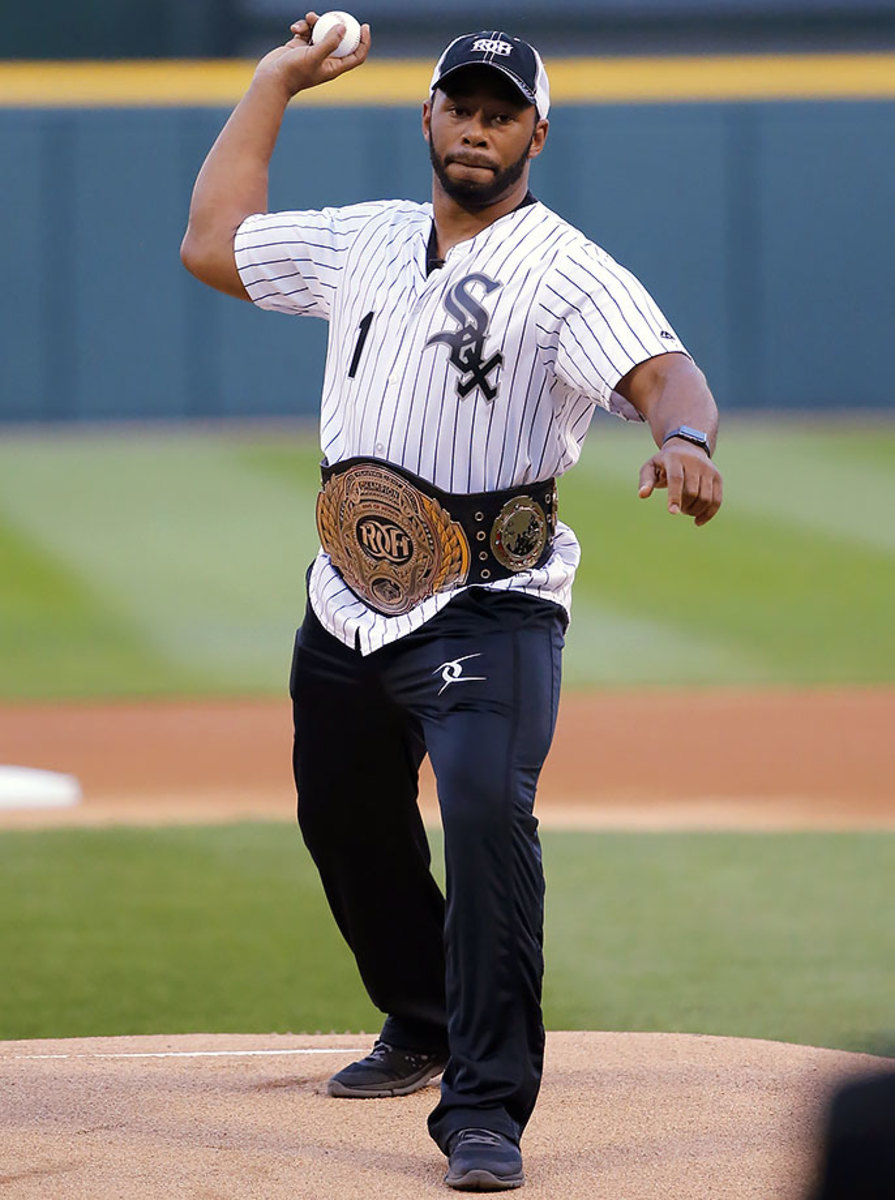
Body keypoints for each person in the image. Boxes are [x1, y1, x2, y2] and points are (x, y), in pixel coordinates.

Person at [181, 15, 723, 1192]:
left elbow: (663, 372)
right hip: (346, 600)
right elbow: (213, 243)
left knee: (483, 816)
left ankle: (486, 1109)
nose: (476, 127)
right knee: (342, 818)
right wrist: (275, 77)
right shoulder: (365, 241)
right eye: (459, 107)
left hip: (491, 600)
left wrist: (683, 439)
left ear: (538, 131)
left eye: (500, 111)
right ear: (425, 117)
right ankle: (422, 1016)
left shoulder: (566, 269)